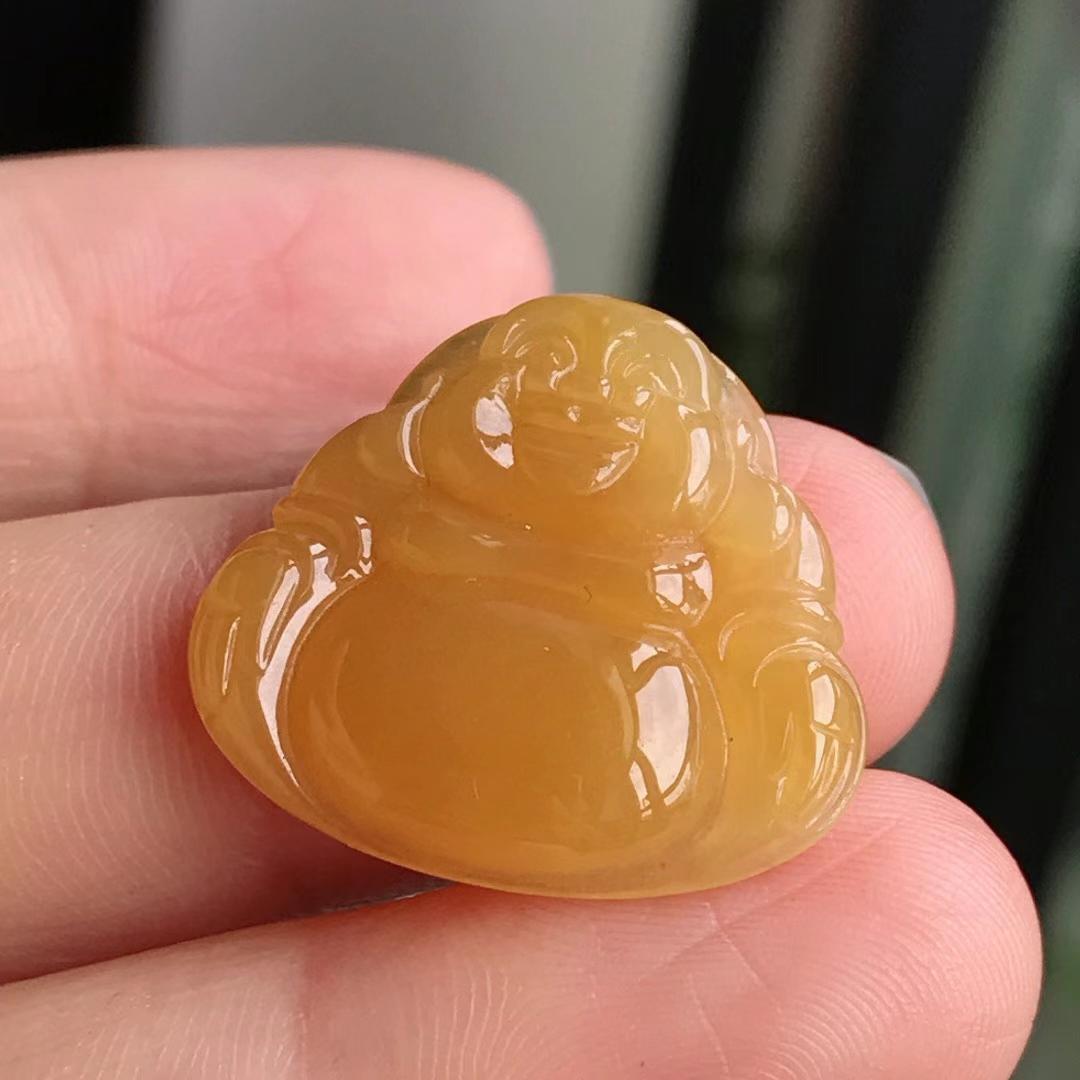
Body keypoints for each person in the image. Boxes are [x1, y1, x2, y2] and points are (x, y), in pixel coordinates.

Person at [0, 148, 1040, 1079]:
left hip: (634, 767)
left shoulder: (721, 541)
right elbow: (307, 554)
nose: (578, 407)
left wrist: (789, 698)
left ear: (701, 442)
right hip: (370, 716)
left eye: (629, 391)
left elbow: (775, 635)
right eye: (542, 376)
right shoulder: (396, 488)